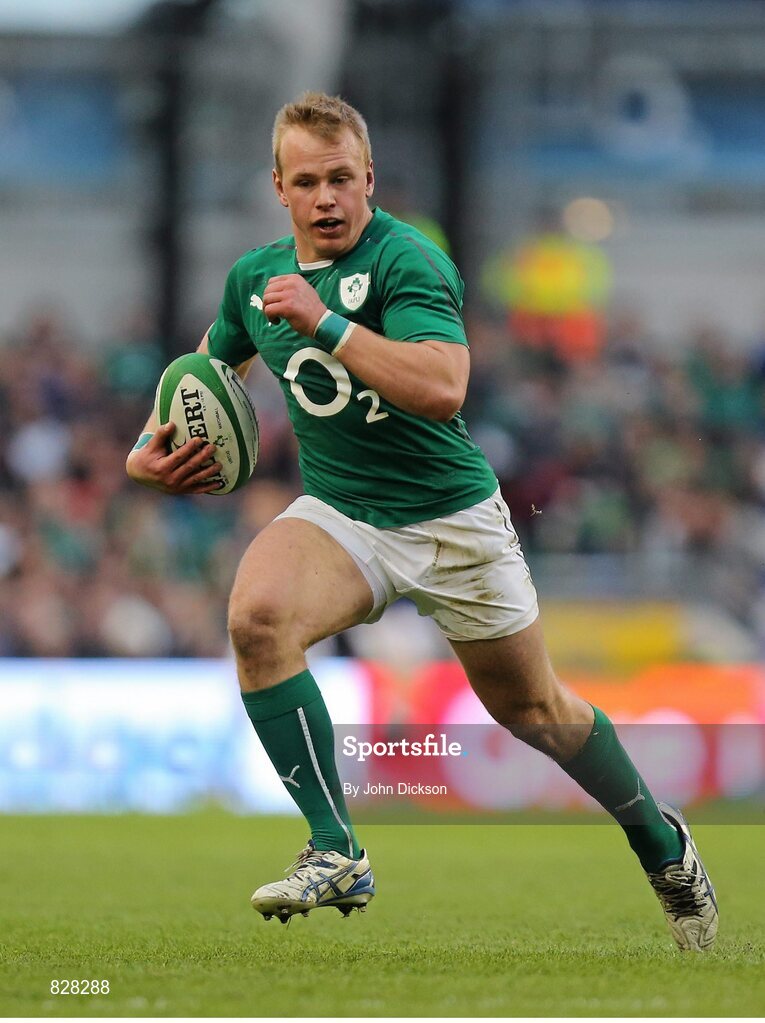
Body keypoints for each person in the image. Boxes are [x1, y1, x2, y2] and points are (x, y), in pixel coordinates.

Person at [126, 92, 718, 951]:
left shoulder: (408, 261)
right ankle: (336, 848)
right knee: (257, 618)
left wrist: (325, 323)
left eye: (341, 179)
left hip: (451, 522)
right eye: (306, 182)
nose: (326, 197)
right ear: (278, 190)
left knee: (537, 711)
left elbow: (443, 387)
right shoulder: (255, 279)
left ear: (368, 179)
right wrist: (150, 452)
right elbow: (207, 369)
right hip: (343, 513)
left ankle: (660, 841)